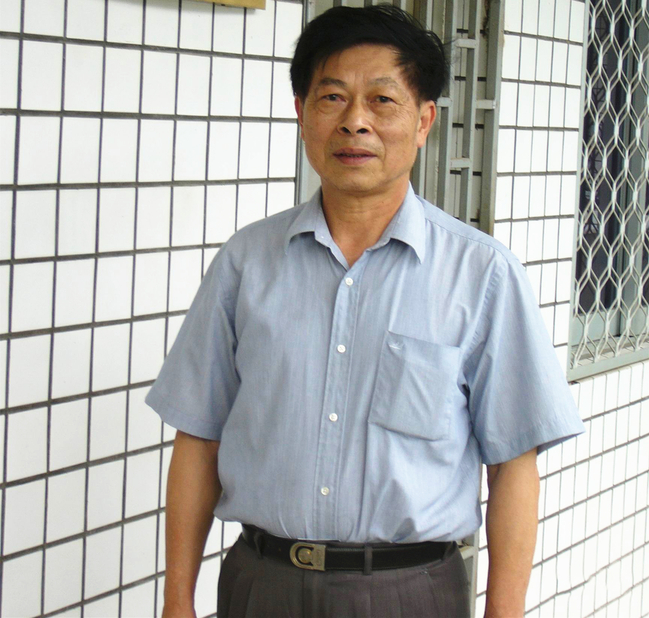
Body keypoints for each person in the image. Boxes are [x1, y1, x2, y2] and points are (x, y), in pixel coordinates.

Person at [146, 5, 585, 617]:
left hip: (409, 594)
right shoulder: (246, 264)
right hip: (260, 585)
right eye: (332, 98)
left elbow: (513, 465)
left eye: (382, 100)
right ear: (302, 114)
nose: (355, 121)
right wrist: (177, 600)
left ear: (424, 121)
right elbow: (198, 439)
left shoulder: (482, 274)